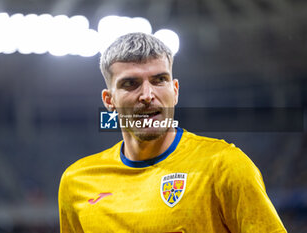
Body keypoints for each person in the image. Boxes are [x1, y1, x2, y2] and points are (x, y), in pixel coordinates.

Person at [58, 32, 287, 233]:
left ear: (174, 91)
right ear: (109, 100)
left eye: (159, 80)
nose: (147, 95)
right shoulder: (77, 182)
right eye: (130, 83)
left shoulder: (224, 166)